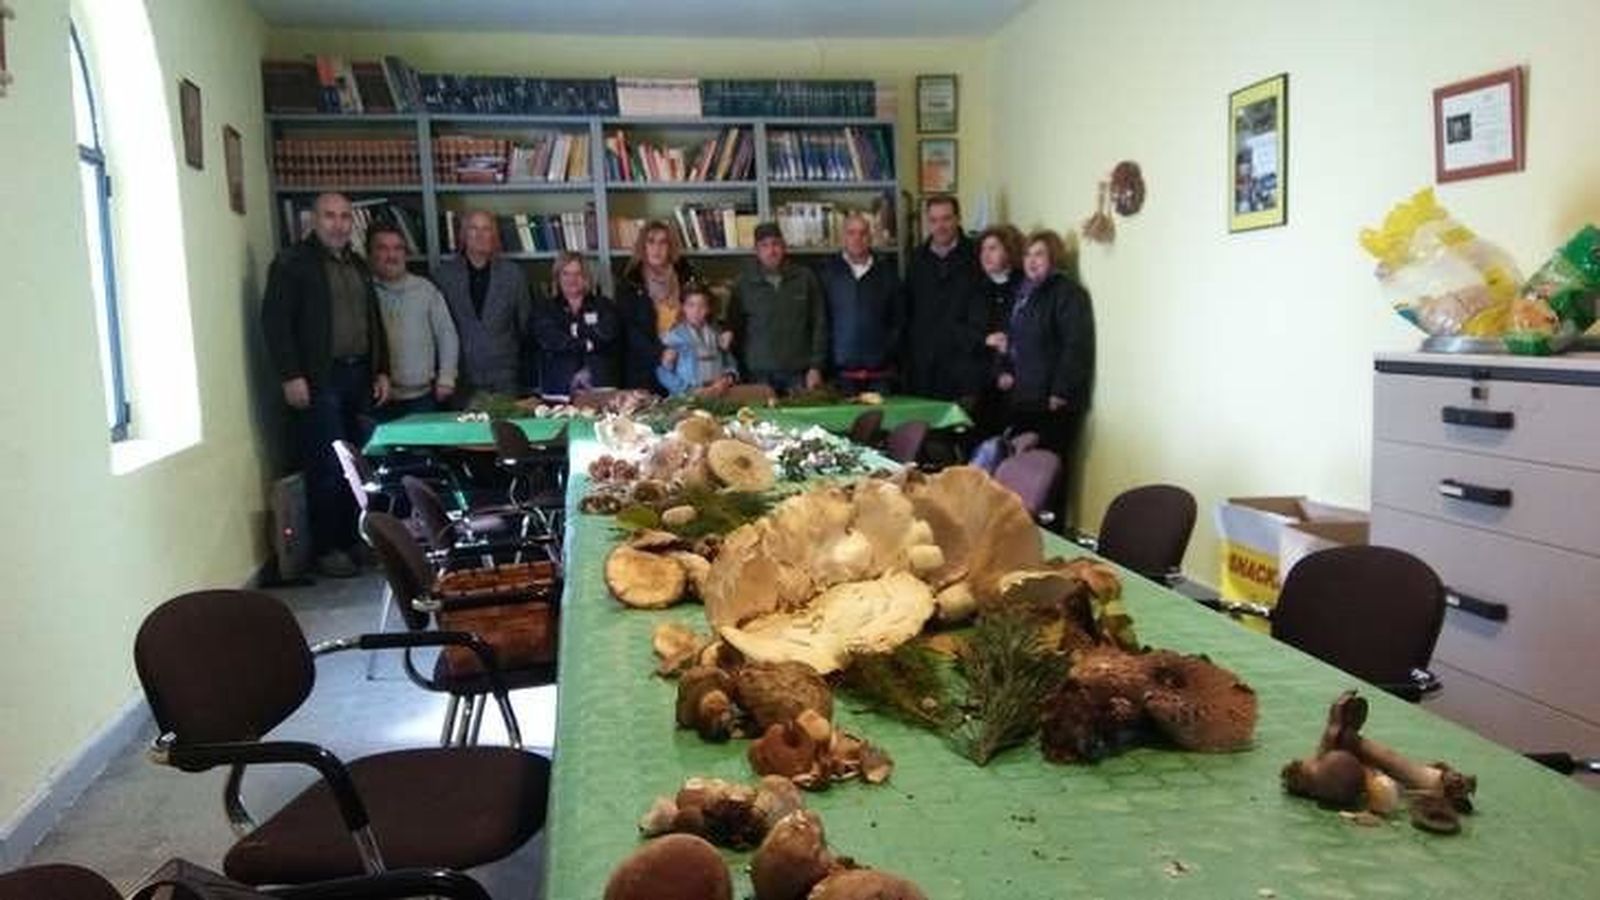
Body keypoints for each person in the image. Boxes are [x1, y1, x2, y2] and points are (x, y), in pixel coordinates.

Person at [261, 192, 391, 578]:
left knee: (359, 464)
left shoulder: (357, 264)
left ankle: (355, 540)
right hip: (319, 379)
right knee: (327, 466)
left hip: (358, 374)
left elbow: (373, 322)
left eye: (345, 217)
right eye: (329, 216)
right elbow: (276, 324)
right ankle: (327, 547)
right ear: (313, 221)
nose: (338, 224)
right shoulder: (291, 264)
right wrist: (290, 375)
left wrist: (381, 369)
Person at [991, 228, 1096, 520]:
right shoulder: (1025, 295)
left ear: (1054, 258)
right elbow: (1011, 340)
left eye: (1039, 254)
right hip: (1024, 398)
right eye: (1027, 254)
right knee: (1019, 475)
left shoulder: (1068, 295)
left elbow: (1076, 346)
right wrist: (1004, 371)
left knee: (1050, 477)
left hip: (1053, 403)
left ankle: (1052, 535)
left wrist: (1060, 392)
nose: (1031, 260)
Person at [434, 210, 531, 398]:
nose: (479, 235)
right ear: (463, 235)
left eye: (486, 229)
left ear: (494, 236)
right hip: (460, 377)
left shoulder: (514, 275)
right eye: (473, 228)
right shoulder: (444, 277)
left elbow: (525, 325)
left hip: (504, 376)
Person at [902, 195, 987, 405]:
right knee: (925, 431)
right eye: (934, 220)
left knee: (961, 432)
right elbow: (908, 308)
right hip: (924, 366)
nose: (940, 226)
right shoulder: (916, 258)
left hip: (964, 364)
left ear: (958, 219)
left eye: (946, 218)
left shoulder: (977, 255)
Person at [368, 224, 459, 421]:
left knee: (424, 451)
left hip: (422, 397)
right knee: (380, 452)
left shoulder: (426, 290)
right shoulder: (364, 291)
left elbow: (447, 334)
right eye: (383, 248)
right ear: (371, 253)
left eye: (398, 248)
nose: (391, 255)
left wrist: (447, 377)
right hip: (377, 397)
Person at [724, 223, 828, 394]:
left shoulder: (805, 278)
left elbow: (820, 324)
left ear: (784, 246)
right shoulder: (743, 283)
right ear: (756, 251)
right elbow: (732, 327)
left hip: (799, 373)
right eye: (764, 246)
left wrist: (816, 366)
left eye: (776, 244)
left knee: (801, 420)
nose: (771, 251)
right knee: (760, 420)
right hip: (757, 374)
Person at [819, 212, 902, 394]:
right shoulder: (827, 273)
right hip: (840, 375)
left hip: (880, 375)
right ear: (843, 237)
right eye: (851, 233)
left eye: (863, 233)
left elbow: (898, 320)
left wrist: (886, 351)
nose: (857, 238)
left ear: (870, 237)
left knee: (883, 422)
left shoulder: (888, 273)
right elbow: (821, 321)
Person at [615, 221, 700, 393]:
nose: (657, 248)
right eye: (651, 241)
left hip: (684, 364)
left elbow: (702, 311)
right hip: (645, 368)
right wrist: (660, 353)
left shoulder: (686, 276)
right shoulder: (630, 281)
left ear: (671, 247)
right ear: (642, 247)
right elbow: (629, 330)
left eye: (663, 242)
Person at [532, 252, 620, 396]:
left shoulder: (604, 305)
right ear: (557, 277)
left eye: (578, 273)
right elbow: (552, 341)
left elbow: (607, 335)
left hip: (600, 383)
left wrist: (573, 330)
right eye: (566, 273)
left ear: (586, 277)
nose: (572, 279)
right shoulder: (545, 309)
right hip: (559, 385)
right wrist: (588, 343)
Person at [974, 224, 1025, 438]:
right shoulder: (973, 287)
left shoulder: (1024, 285)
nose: (986, 255)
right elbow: (957, 329)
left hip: (1018, 379)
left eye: (993, 248)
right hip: (980, 377)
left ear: (1009, 251)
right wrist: (985, 339)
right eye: (983, 250)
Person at [657, 283, 738, 397]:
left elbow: (730, 362)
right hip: (686, 398)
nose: (696, 311)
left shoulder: (717, 334)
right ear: (683, 307)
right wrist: (687, 390)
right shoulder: (673, 336)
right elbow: (662, 373)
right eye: (691, 305)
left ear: (708, 309)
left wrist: (727, 379)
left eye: (702, 305)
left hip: (717, 395)